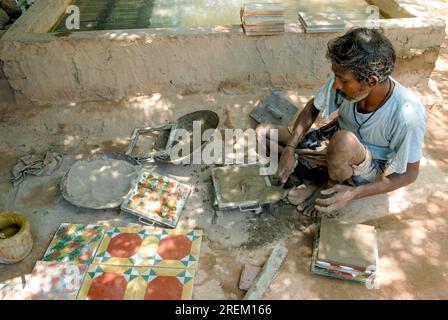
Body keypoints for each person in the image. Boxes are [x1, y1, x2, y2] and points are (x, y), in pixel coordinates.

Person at [256, 27, 426, 218]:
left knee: (343, 141)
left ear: (371, 81)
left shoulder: (407, 114)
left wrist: (355, 194)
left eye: (343, 81)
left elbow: (410, 174)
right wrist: (290, 147)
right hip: (334, 142)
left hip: (366, 164)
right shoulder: (346, 78)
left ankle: (330, 185)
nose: (336, 84)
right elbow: (313, 107)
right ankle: (314, 171)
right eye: (336, 77)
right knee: (263, 133)